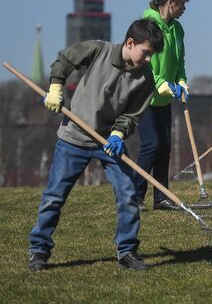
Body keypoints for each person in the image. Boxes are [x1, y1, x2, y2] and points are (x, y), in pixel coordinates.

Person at [28, 19, 164, 272]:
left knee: (128, 195)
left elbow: (132, 115)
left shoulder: (145, 79)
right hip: (74, 137)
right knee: (54, 196)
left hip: (109, 144)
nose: (148, 59)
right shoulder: (98, 50)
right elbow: (65, 59)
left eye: (152, 55)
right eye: (146, 53)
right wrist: (56, 86)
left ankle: (127, 250)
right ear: (130, 43)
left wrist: (117, 135)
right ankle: (39, 249)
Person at [135, 0, 190, 211]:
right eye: (182, 4)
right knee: (152, 144)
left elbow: (179, 62)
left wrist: (181, 81)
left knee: (165, 146)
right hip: (145, 96)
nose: (185, 9)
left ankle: (161, 196)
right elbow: (145, 66)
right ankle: (134, 196)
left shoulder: (177, 29)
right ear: (170, 2)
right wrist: (163, 85)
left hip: (164, 98)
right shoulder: (149, 26)